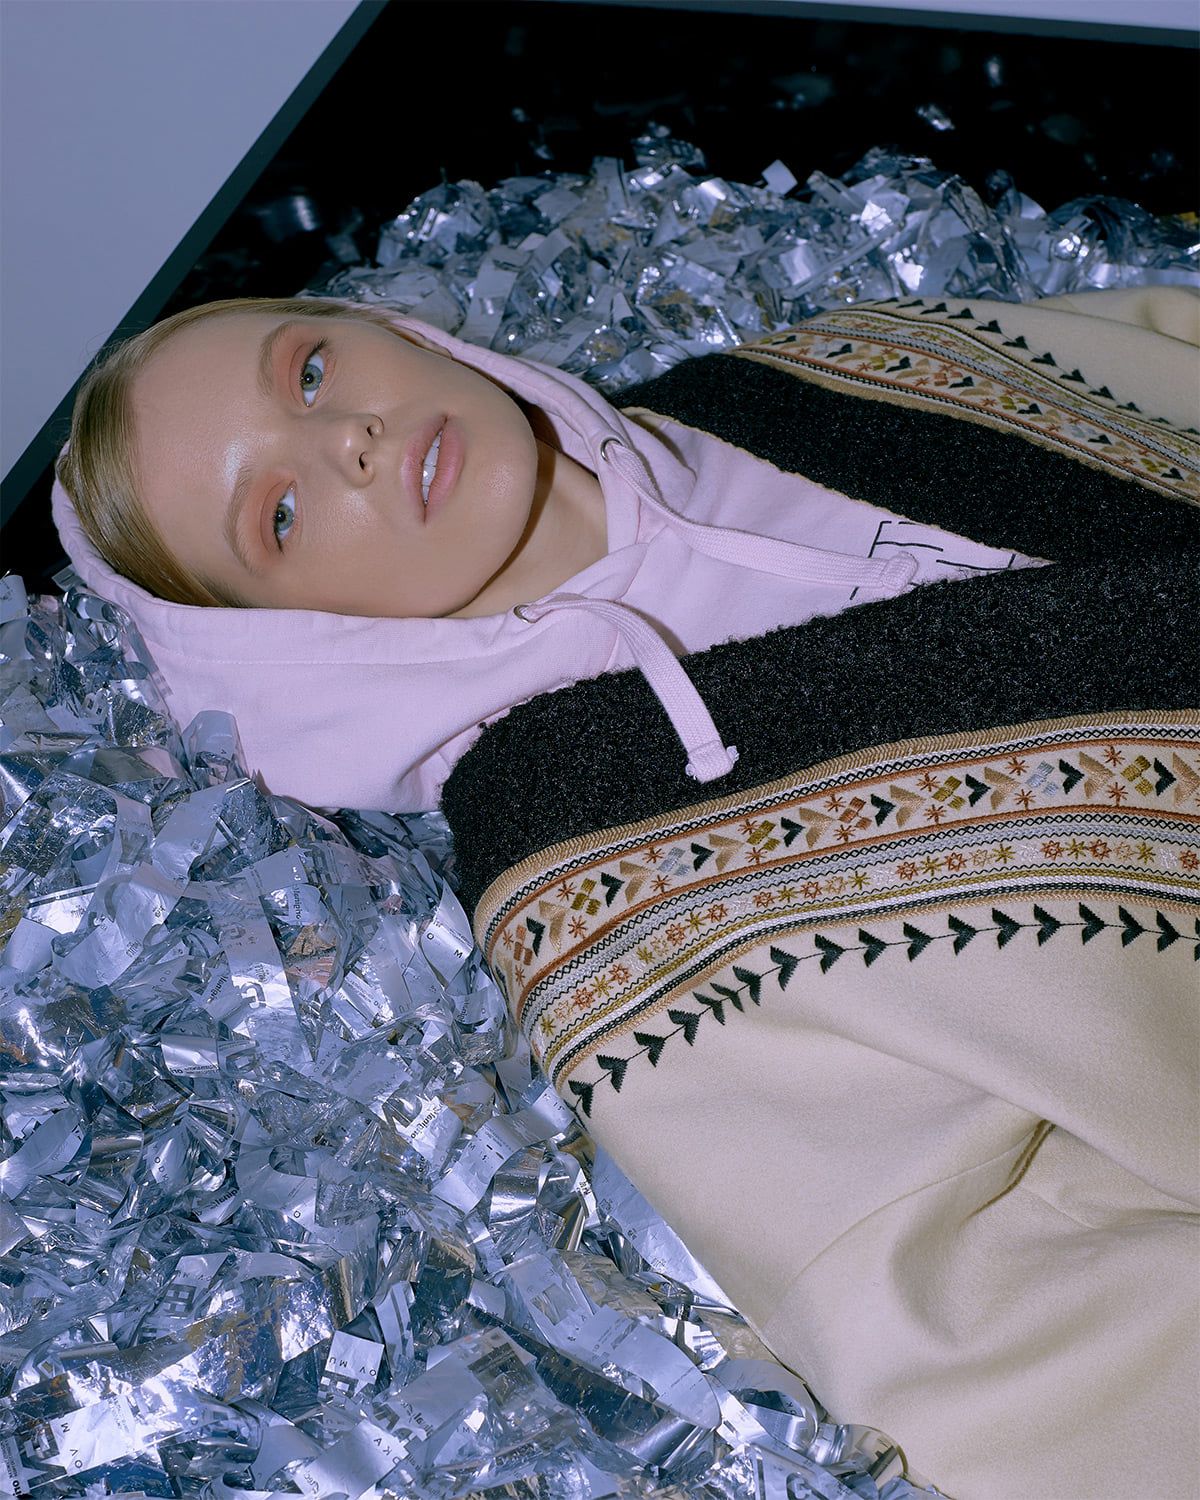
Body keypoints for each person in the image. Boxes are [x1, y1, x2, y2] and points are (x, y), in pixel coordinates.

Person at [53, 288, 1199, 1499]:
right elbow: (986, 1342)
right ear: (287, 644)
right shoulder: (593, 890)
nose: (350, 440)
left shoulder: (808, 378)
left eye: (311, 372)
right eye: (279, 514)